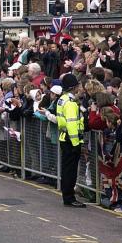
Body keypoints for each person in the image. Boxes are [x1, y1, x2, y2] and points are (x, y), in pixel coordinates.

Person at [55, 73, 85, 208]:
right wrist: (76, 144)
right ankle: (69, 197)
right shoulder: (71, 103)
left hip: (63, 137)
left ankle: (67, 195)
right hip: (70, 139)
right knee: (70, 170)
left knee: (66, 169)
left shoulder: (62, 99)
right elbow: (72, 124)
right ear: (74, 87)